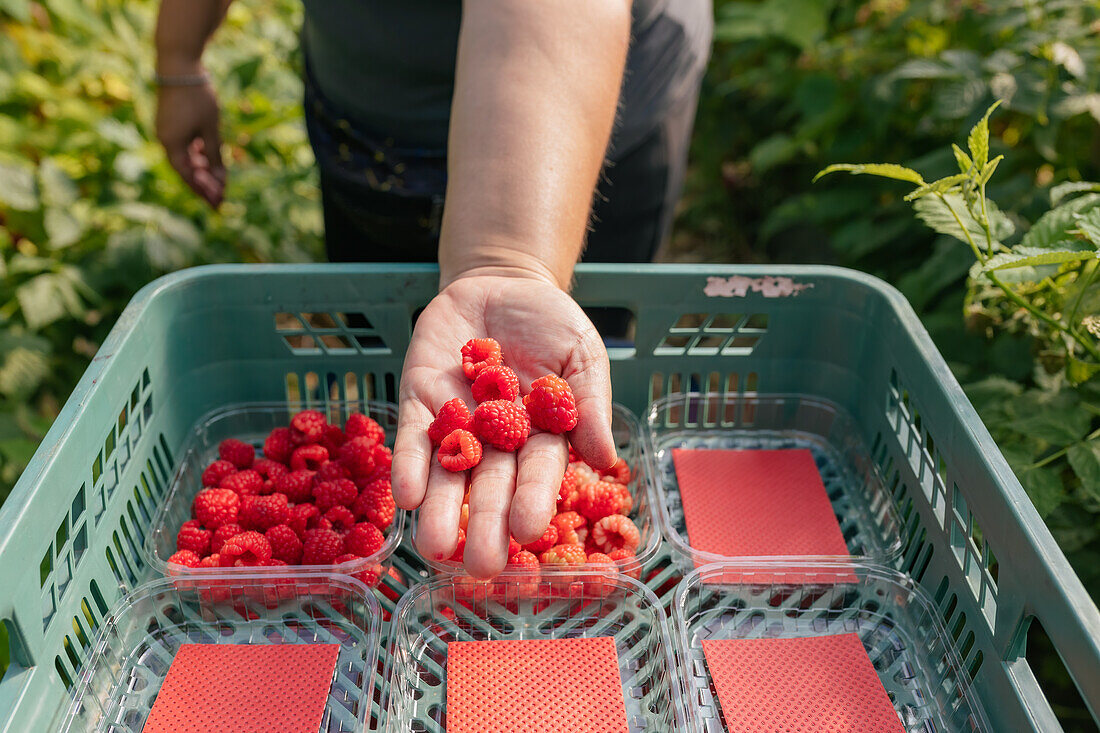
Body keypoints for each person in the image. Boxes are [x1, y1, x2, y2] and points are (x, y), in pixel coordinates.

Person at [154, 0, 712, 578]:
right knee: (392, 358)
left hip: (568, 108)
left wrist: (506, 260)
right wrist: (179, 58)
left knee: (585, 341)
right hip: (368, 126)